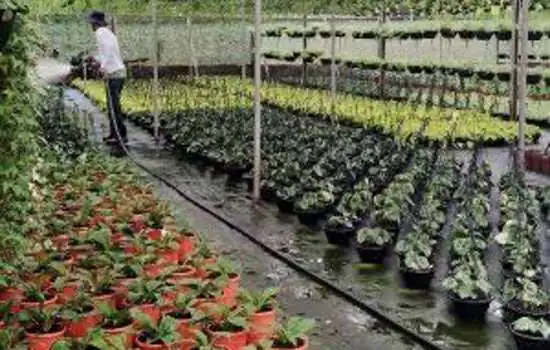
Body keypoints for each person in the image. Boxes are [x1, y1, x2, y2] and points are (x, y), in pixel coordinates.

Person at [87, 10, 128, 145]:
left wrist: (103, 67)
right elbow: (107, 52)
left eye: (92, 23)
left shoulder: (101, 33)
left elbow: (109, 51)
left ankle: (120, 135)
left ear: (96, 22)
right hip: (119, 72)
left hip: (114, 74)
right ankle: (115, 134)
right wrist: (96, 59)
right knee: (113, 106)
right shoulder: (108, 33)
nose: (91, 26)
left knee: (113, 107)